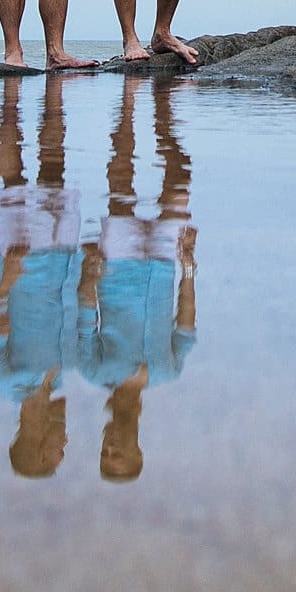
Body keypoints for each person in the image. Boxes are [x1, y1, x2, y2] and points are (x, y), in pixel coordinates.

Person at [77, 71, 196, 481]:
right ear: (136, 447)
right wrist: (189, 265)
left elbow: (84, 314)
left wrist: (90, 269)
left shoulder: (94, 372)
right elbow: (185, 323)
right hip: (164, 261)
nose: (111, 444)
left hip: (120, 264)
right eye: (118, 453)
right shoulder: (168, 372)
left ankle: (130, 104)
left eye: (106, 451)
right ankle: (165, 116)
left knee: (121, 181)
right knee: (180, 179)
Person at [0, 74, 79, 478]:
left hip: (18, 261)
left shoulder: (2, 383)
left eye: (58, 450)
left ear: (37, 447)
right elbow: (71, 313)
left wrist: (8, 275)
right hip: (61, 255)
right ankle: (49, 94)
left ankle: (10, 97)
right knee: (54, 167)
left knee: (13, 180)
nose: (66, 443)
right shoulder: (58, 379)